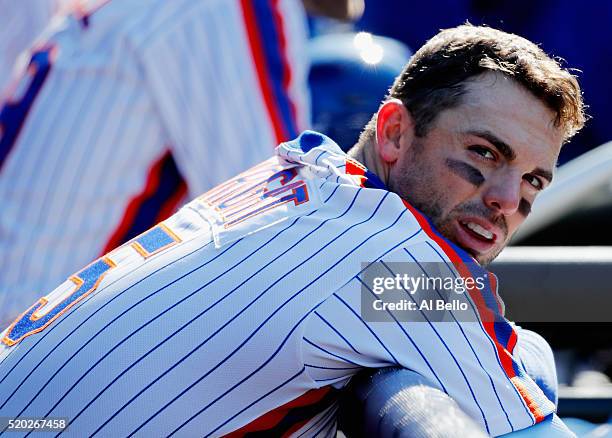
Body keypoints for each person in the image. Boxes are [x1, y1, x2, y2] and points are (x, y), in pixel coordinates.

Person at [0, 24, 584, 436]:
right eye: (483, 153)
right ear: (394, 134)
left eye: (534, 181)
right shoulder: (398, 257)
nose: (507, 199)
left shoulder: (300, 170)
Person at [0, 0, 311, 326]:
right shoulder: (218, 7)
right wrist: (372, 298)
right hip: (38, 353)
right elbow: (277, 241)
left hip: (27, 335)